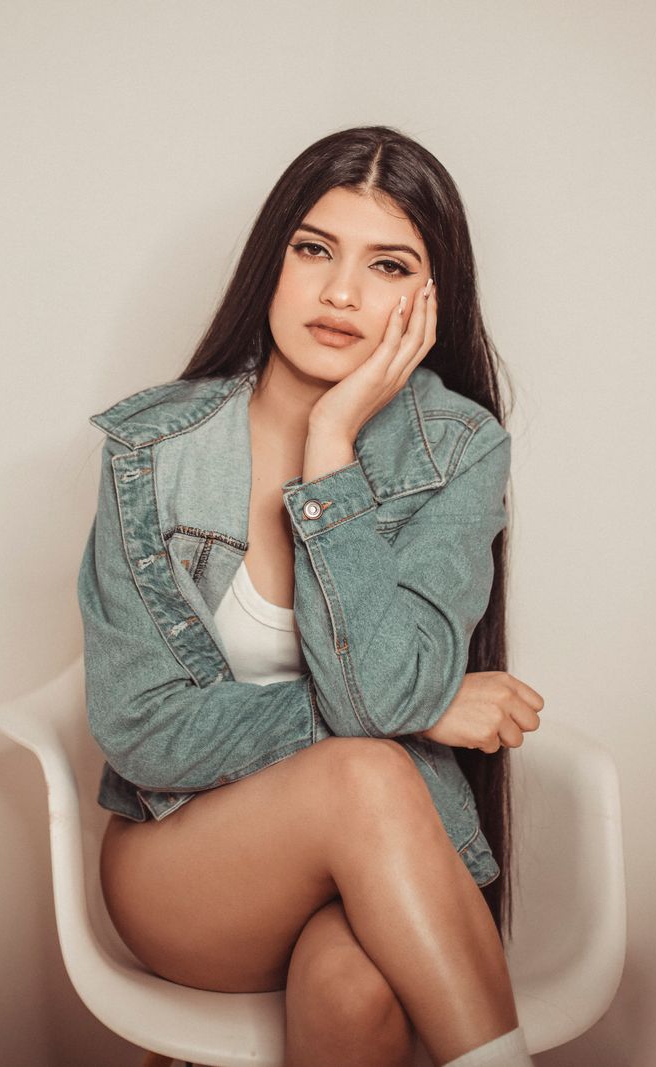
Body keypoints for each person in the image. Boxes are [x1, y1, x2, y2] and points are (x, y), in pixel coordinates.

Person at [77, 125, 545, 1067]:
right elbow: (141, 727)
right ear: (273, 260)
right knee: (365, 769)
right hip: (185, 863)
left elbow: (385, 686)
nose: (341, 293)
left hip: (382, 866)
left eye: (388, 265)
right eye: (315, 249)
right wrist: (422, 710)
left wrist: (331, 449)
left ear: (432, 297)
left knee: (358, 987)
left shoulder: (459, 450)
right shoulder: (155, 451)